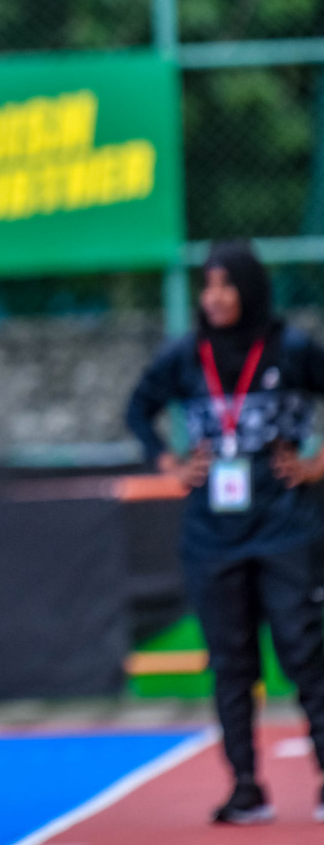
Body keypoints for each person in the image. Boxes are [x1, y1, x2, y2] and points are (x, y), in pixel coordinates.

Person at [127, 240, 324, 825]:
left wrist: (317, 464)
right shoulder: (186, 355)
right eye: (206, 286)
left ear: (251, 289)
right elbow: (139, 408)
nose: (213, 297)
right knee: (231, 661)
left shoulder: (291, 349)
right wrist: (168, 462)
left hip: (287, 525)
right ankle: (245, 787)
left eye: (226, 285)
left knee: (304, 652)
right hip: (213, 534)